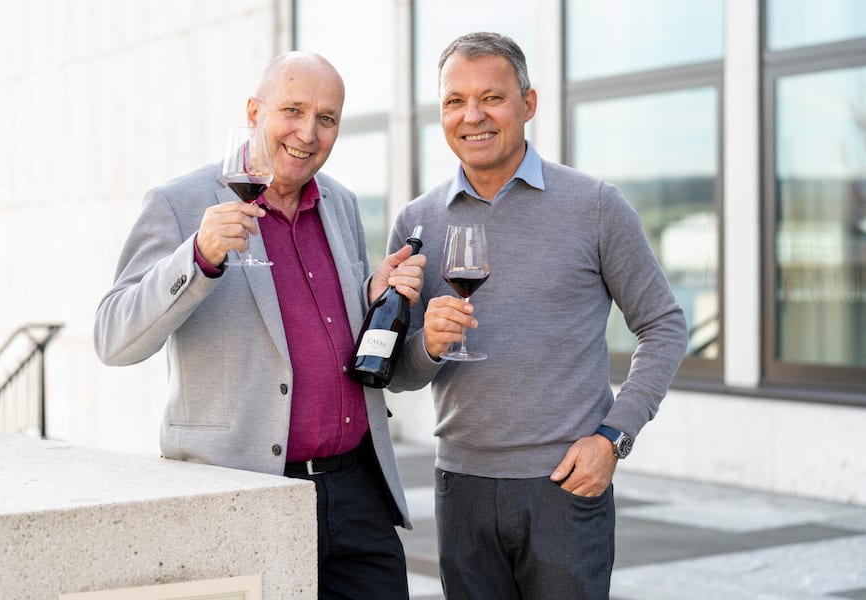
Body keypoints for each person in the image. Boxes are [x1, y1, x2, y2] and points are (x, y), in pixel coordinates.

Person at [94, 51, 425, 599]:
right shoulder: (179, 203)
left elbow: (330, 331)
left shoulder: (341, 203)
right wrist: (196, 257)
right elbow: (113, 338)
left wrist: (370, 297)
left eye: (326, 118)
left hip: (357, 490)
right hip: (245, 492)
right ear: (254, 111)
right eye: (292, 110)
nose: (308, 133)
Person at [388, 32, 688, 598]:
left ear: (528, 103)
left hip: (565, 486)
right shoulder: (417, 222)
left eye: (492, 98)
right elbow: (398, 373)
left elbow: (664, 325)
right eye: (455, 101)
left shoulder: (595, 205)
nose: (472, 116)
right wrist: (426, 344)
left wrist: (614, 437)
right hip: (460, 487)